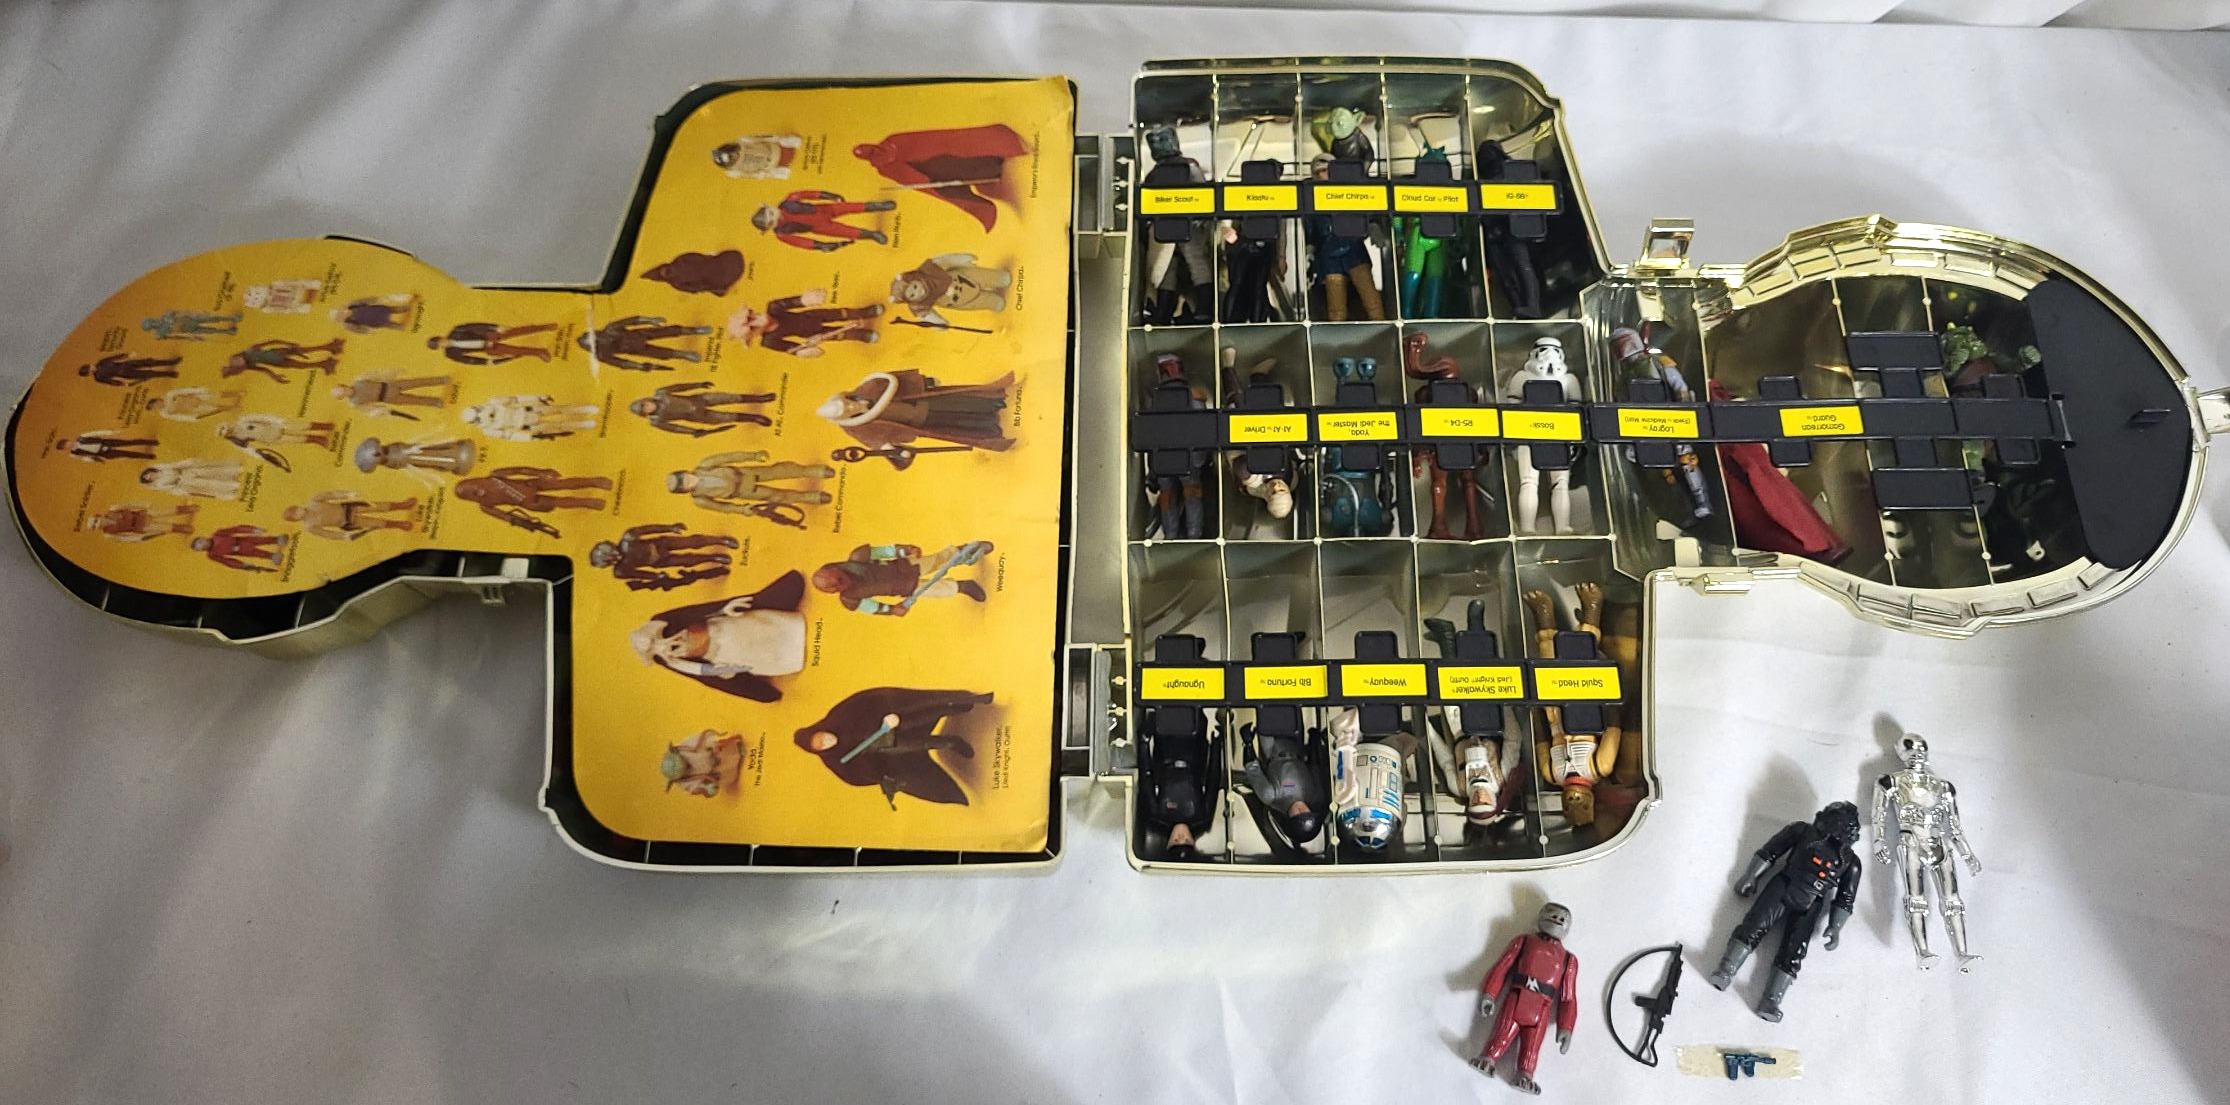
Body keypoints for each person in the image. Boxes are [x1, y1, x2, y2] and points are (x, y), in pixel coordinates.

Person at [793, 687, 994, 807]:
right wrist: (873, 758)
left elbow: (867, 701)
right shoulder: (836, 762)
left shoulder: (838, 716)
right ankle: (950, 742)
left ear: (820, 729)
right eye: (821, 745)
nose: (826, 741)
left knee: (919, 714)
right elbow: (861, 777)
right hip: (889, 752)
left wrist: (885, 718)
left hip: (893, 722)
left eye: (821, 737)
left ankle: (958, 705)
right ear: (820, 751)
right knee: (901, 746)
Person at [629, 573, 807, 702]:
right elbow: (697, 671)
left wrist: (722, 609)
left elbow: (695, 612)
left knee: (761, 627)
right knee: (761, 654)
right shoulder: (670, 660)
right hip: (723, 654)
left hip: (725, 628)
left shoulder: (666, 622)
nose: (666, 645)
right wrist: (719, 672)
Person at [1470, 903, 1580, 1095]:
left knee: (1532, 1046)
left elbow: (1568, 998)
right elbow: (1502, 967)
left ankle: (1525, 1075)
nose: (1557, 920)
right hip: (1517, 997)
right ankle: (1488, 1059)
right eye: (1553, 915)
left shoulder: (1569, 960)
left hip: (1542, 1007)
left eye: (1563, 919)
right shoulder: (1524, 941)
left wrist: (1566, 1027)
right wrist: (1490, 994)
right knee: (1503, 1031)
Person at [852, 124, 1027, 231]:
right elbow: (908, 177)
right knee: (961, 170)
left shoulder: (893, 140)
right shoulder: (884, 168)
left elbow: (924, 139)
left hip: (939, 154)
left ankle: (997, 156)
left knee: (966, 154)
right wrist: (928, 182)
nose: (873, 150)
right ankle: (992, 173)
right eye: (868, 153)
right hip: (934, 170)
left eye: (869, 147)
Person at [816, 369, 1013, 452]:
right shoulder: (857, 427)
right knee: (955, 423)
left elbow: (893, 379)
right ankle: (988, 426)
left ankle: (991, 404)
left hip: (924, 401)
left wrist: (925, 381)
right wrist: (891, 450)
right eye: (847, 411)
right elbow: (875, 441)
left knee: (959, 402)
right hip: (920, 422)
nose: (851, 407)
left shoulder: (867, 390)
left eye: (847, 403)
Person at [810, 541, 993, 615]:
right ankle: (963, 586)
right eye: (835, 588)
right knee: (935, 590)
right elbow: (873, 608)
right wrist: (892, 610)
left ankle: (964, 550)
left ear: (837, 569)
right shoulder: (850, 599)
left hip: (907, 566)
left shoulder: (858, 557)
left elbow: (885, 551)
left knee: (938, 560)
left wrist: (905, 549)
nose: (841, 586)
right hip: (901, 588)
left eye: (839, 580)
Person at [452, 467, 610, 535]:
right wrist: (523, 522)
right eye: (471, 494)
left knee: (563, 484)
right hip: (530, 502)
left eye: (473, 487)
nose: (477, 492)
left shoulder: (494, 475)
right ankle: (588, 503)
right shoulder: (485, 506)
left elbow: (519, 470)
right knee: (559, 502)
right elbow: (506, 516)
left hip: (531, 484)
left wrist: (540, 472)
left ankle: (594, 482)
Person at [727, 291, 881, 356]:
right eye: (752, 325)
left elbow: (794, 302)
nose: (756, 318)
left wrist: (806, 299)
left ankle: (864, 312)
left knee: (841, 313)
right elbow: (790, 348)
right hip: (809, 333)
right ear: (754, 333)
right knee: (839, 335)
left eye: (751, 315)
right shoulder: (769, 341)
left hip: (811, 316)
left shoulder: (774, 307)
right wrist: (804, 351)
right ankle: (861, 335)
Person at [590, 523, 738, 592]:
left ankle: (720, 540)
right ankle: (714, 558)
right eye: (610, 561)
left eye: (611, 556)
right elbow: (640, 574)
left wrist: (670, 528)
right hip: (659, 561)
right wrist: (656, 576)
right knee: (688, 561)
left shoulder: (628, 538)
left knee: (693, 542)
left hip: (661, 544)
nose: (615, 559)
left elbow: (649, 529)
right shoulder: (620, 571)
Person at [668, 452, 833, 512]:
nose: (688, 481)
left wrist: (753, 456)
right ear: (685, 491)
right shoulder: (700, 499)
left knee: (781, 470)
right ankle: (809, 497)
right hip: (744, 492)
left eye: (685, 477)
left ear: (686, 472)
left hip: (745, 474)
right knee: (776, 496)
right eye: (685, 484)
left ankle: (812, 471)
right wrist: (742, 509)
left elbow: (730, 457)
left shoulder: (705, 465)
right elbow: (723, 507)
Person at [888, 254, 1010, 328]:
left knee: (983, 276)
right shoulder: (919, 305)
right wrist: (938, 323)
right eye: (913, 295)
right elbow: (928, 315)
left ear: (915, 279)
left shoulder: (928, 270)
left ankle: (998, 278)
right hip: (959, 301)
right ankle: (992, 302)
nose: (919, 291)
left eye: (915, 286)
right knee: (979, 302)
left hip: (960, 277)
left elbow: (945, 260)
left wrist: (961, 259)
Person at [752, 190, 894, 252]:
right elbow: (802, 242)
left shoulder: (790, 199)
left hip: (824, 209)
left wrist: (829, 195)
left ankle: (878, 206)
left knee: (851, 206)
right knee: (849, 232)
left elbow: (810, 194)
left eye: (772, 213)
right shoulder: (782, 234)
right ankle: (873, 235)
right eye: (772, 222)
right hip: (821, 227)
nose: (776, 218)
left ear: (770, 207)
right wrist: (820, 246)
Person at [629, 381, 772, 436]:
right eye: (645, 410)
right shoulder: (656, 420)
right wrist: (693, 431)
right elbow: (675, 428)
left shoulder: (661, 393)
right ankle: (754, 418)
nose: (648, 407)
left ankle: (759, 399)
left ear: (646, 400)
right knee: (727, 417)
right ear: (645, 414)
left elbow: (680, 387)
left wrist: (698, 385)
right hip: (697, 416)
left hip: (699, 399)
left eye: (645, 404)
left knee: (729, 397)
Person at [577, 316, 710, 372]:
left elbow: (633, 320)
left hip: (640, 334)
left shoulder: (611, 328)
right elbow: (621, 363)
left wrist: (650, 320)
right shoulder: (601, 354)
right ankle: (685, 355)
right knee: (662, 353)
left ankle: (695, 330)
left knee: (670, 330)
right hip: (634, 349)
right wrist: (638, 366)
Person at [284, 491, 417, 539]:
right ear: (295, 519)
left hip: (350, 507)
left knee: (378, 506)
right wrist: (343, 536)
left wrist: (347, 494)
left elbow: (332, 495)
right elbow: (328, 534)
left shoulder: (313, 501)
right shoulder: (310, 526)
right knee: (376, 523)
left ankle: (403, 505)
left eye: (296, 509)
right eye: (295, 514)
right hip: (348, 522)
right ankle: (400, 525)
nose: (298, 511)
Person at [460, 395, 598, 441]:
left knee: (560, 409)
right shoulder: (488, 430)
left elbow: (516, 399)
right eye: (477, 417)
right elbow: (510, 436)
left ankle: (586, 409)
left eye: (478, 411)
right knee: (559, 427)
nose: (481, 414)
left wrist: (538, 398)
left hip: (530, 410)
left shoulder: (494, 402)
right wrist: (530, 437)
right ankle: (584, 424)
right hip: (528, 426)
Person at [660, 730, 747, 797]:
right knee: (724, 771)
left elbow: (703, 742)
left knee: (721, 746)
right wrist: (703, 789)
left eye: (685, 762)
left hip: (714, 753)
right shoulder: (685, 782)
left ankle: (736, 745)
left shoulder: (684, 750)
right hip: (714, 771)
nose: (687, 766)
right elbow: (696, 788)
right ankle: (734, 769)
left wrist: (714, 745)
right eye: (685, 769)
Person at [428, 322, 558, 365]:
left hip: (488, 335)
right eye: (441, 346)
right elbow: (468, 360)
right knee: (514, 351)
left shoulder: (456, 331)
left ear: (442, 338)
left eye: (441, 342)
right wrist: (486, 362)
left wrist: (494, 327)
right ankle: (539, 352)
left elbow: (476, 326)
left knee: (516, 331)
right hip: (486, 348)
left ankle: (543, 327)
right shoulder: (450, 353)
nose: (443, 345)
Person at [332, 374, 450, 419]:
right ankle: (435, 402)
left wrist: (391, 374)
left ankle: (441, 380)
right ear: (342, 397)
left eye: (343, 389)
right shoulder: (354, 403)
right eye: (342, 393)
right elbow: (369, 409)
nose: (345, 391)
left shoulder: (359, 380)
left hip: (391, 385)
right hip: (388, 398)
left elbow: (377, 375)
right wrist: (382, 412)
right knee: (415, 400)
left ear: (344, 385)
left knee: (418, 382)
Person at [223, 338, 345, 381]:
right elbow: (263, 369)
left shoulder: (251, 351)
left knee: (305, 350)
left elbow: (271, 342)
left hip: (277, 353)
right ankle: (324, 364)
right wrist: (274, 376)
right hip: (278, 362)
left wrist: (286, 343)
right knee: (301, 365)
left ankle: (331, 346)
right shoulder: (248, 365)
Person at [638, 250, 743, 295]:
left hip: (717, 267)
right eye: (667, 273)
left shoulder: (677, 280)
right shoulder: (677, 281)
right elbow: (695, 288)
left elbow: (697, 257)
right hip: (715, 275)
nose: (669, 271)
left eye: (666, 269)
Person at [193, 525, 287, 572]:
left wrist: (252, 530)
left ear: (203, 538)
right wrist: (241, 565)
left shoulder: (217, 534)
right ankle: (272, 556)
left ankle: (276, 539)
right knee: (256, 553)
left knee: (259, 540)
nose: (202, 546)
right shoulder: (212, 554)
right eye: (199, 548)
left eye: (200, 542)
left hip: (241, 540)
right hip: (239, 551)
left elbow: (236, 529)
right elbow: (226, 561)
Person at [138, 458, 244, 500]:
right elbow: (172, 486)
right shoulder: (159, 484)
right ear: (150, 481)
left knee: (211, 471)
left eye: (149, 474)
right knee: (209, 484)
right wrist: (182, 483)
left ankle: (234, 471)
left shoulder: (162, 468)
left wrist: (186, 464)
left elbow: (174, 465)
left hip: (187, 472)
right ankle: (231, 486)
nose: (151, 476)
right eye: (149, 478)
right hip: (184, 482)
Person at [88, 501, 196, 541]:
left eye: (96, 521)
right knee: (169, 528)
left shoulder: (113, 510)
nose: (98, 524)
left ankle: (191, 509)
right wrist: (141, 538)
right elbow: (125, 538)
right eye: (94, 526)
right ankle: (188, 530)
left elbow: (129, 505)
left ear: (99, 516)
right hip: (142, 527)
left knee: (170, 510)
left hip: (143, 514)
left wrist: (143, 505)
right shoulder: (108, 534)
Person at [711, 134, 801, 179]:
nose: (734, 156)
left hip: (774, 148)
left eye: (731, 154)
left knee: (789, 141)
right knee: (785, 174)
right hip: (772, 166)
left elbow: (761, 139)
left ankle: (789, 142)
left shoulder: (743, 142)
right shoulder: (736, 170)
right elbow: (751, 175)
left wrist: (773, 138)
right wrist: (766, 174)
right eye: (731, 158)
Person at [331, 294, 419, 333]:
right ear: (340, 319)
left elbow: (363, 301)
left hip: (374, 310)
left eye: (341, 311)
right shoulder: (348, 324)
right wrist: (367, 330)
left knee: (390, 309)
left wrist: (374, 299)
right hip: (372, 320)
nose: (343, 313)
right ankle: (400, 327)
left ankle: (405, 309)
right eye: (340, 315)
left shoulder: (352, 305)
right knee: (387, 324)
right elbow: (357, 329)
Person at [79, 353, 182, 386]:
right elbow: (110, 382)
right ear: (89, 374)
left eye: (89, 367)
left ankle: (171, 362)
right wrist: (122, 383)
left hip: (127, 364)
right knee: (149, 373)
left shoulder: (101, 362)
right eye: (89, 371)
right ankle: (169, 374)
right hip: (126, 373)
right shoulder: (98, 377)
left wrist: (127, 355)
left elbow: (114, 357)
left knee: (150, 362)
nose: (91, 368)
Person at [147, 386, 242, 421]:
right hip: (194, 408)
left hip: (196, 397)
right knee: (215, 408)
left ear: (158, 400)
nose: (157, 406)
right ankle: (232, 408)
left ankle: (237, 393)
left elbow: (183, 391)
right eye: (154, 408)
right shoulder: (165, 413)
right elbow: (178, 417)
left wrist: (197, 390)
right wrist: (192, 418)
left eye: (155, 404)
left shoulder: (169, 395)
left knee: (218, 395)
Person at [140, 310, 241, 340]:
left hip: (188, 322)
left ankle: (231, 320)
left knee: (211, 320)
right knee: (210, 328)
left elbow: (172, 312)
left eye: (151, 321)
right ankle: (228, 330)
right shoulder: (161, 329)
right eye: (152, 324)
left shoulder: (164, 318)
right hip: (188, 327)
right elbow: (159, 336)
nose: (154, 322)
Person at [65, 430, 160, 462]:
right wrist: (94, 459)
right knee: (126, 454)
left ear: (69, 440)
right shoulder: (73, 454)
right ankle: (147, 456)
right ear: (66, 448)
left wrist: (109, 432)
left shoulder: (82, 437)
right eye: (67, 446)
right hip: (102, 453)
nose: (69, 445)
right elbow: (84, 458)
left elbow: (96, 433)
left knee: (129, 442)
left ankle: (151, 442)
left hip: (106, 442)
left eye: (68, 443)